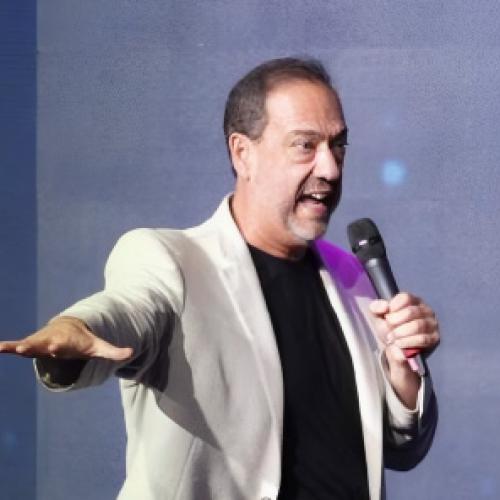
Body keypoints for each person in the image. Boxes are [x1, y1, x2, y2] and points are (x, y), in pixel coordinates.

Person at [0, 57, 439, 500]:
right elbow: (129, 310)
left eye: (338, 145)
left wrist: (403, 373)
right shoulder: (173, 260)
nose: (330, 168)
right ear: (242, 153)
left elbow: (400, 450)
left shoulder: (352, 277)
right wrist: (78, 327)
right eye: (305, 145)